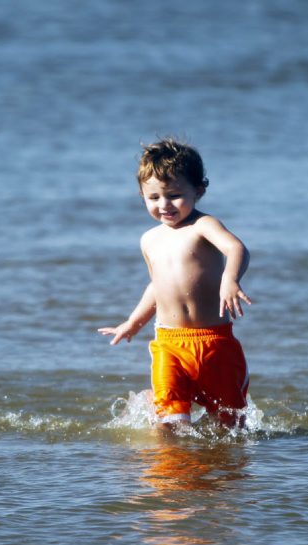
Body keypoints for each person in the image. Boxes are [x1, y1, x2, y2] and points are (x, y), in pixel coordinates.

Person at [99, 138, 251, 428]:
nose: (164, 205)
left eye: (175, 195)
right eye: (154, 198)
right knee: (168, 423)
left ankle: (222, 470)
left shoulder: (203, 226)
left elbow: (236, 249)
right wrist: (133, 322)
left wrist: (230, 279)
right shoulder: (149, 239)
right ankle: (168, 471)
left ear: (199, 190)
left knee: (229, 425)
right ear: (142, 195)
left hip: (214, 343)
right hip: (169, 343)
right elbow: (157, 286)